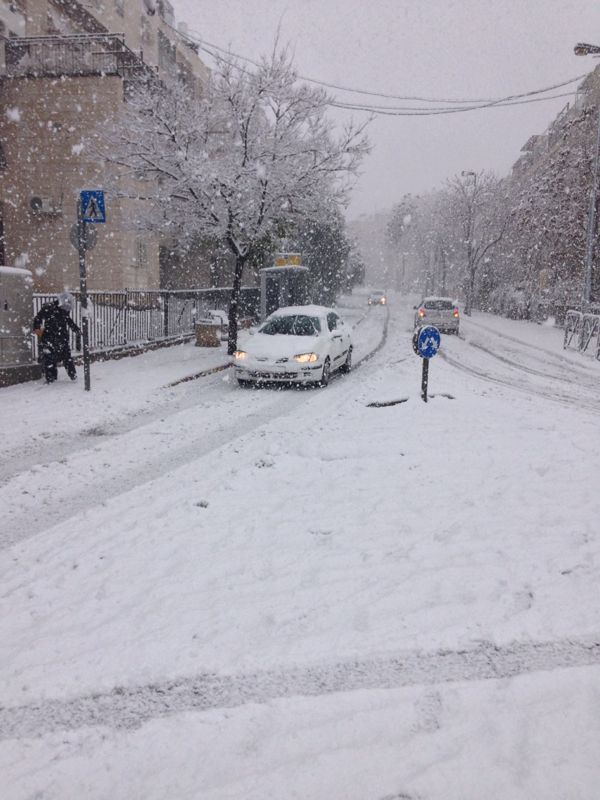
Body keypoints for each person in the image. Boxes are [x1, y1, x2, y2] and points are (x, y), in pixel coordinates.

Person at [33, 292, 81, 383]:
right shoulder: (48, 308)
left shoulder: (63, 309)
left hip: (61, 337)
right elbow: (38, 318)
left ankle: (73, 376)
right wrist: (37, 328)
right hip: (50, 337)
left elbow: (68, 320)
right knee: (50, 359)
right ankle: (51, 378)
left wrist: (76, 329)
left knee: (66, 357)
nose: (68, 308)